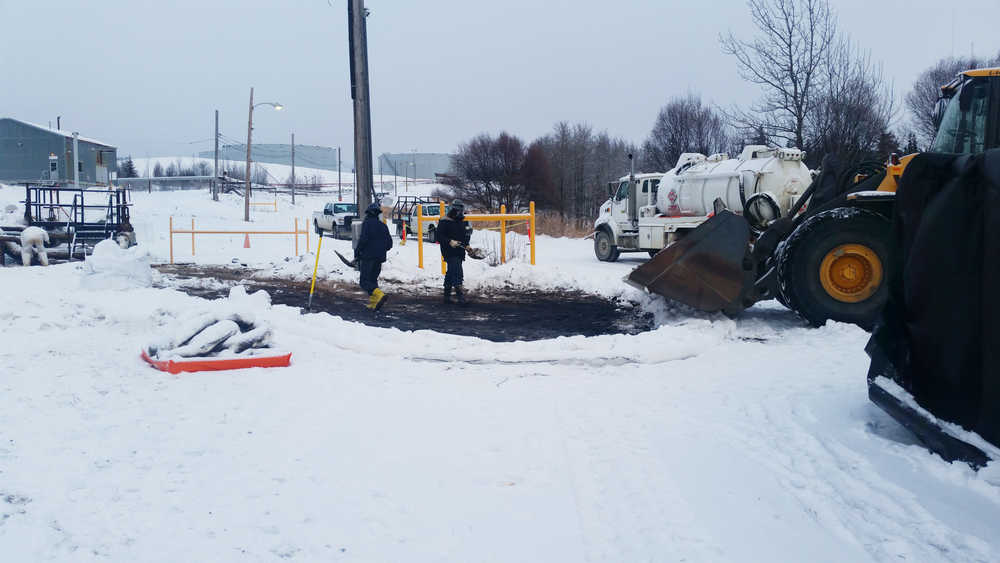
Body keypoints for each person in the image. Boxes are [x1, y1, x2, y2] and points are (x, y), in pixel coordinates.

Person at [354, 202, 392, 310]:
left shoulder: (367, 224)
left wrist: (357, 252)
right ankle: (374, 302)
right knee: (373, 280)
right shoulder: (383, 226)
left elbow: (363, 239)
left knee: (364, 281)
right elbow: (390, 244)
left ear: (369, 213)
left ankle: (379, 295)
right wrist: (381, 249)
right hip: (379, 258)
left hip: (368, 257)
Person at [436, 199, 472, 304]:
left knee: (451, 272)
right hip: (449, 251)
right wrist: (449, 241)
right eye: (457, 210)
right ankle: (460, 298)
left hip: (460, 251)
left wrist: (467, 245)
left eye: (460, 211)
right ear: (453, 210)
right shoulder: (444, 221)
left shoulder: (463, 221)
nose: (459, 212)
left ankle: (446, 297)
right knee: (457, 272)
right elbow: (439, 236)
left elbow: (465, 235)